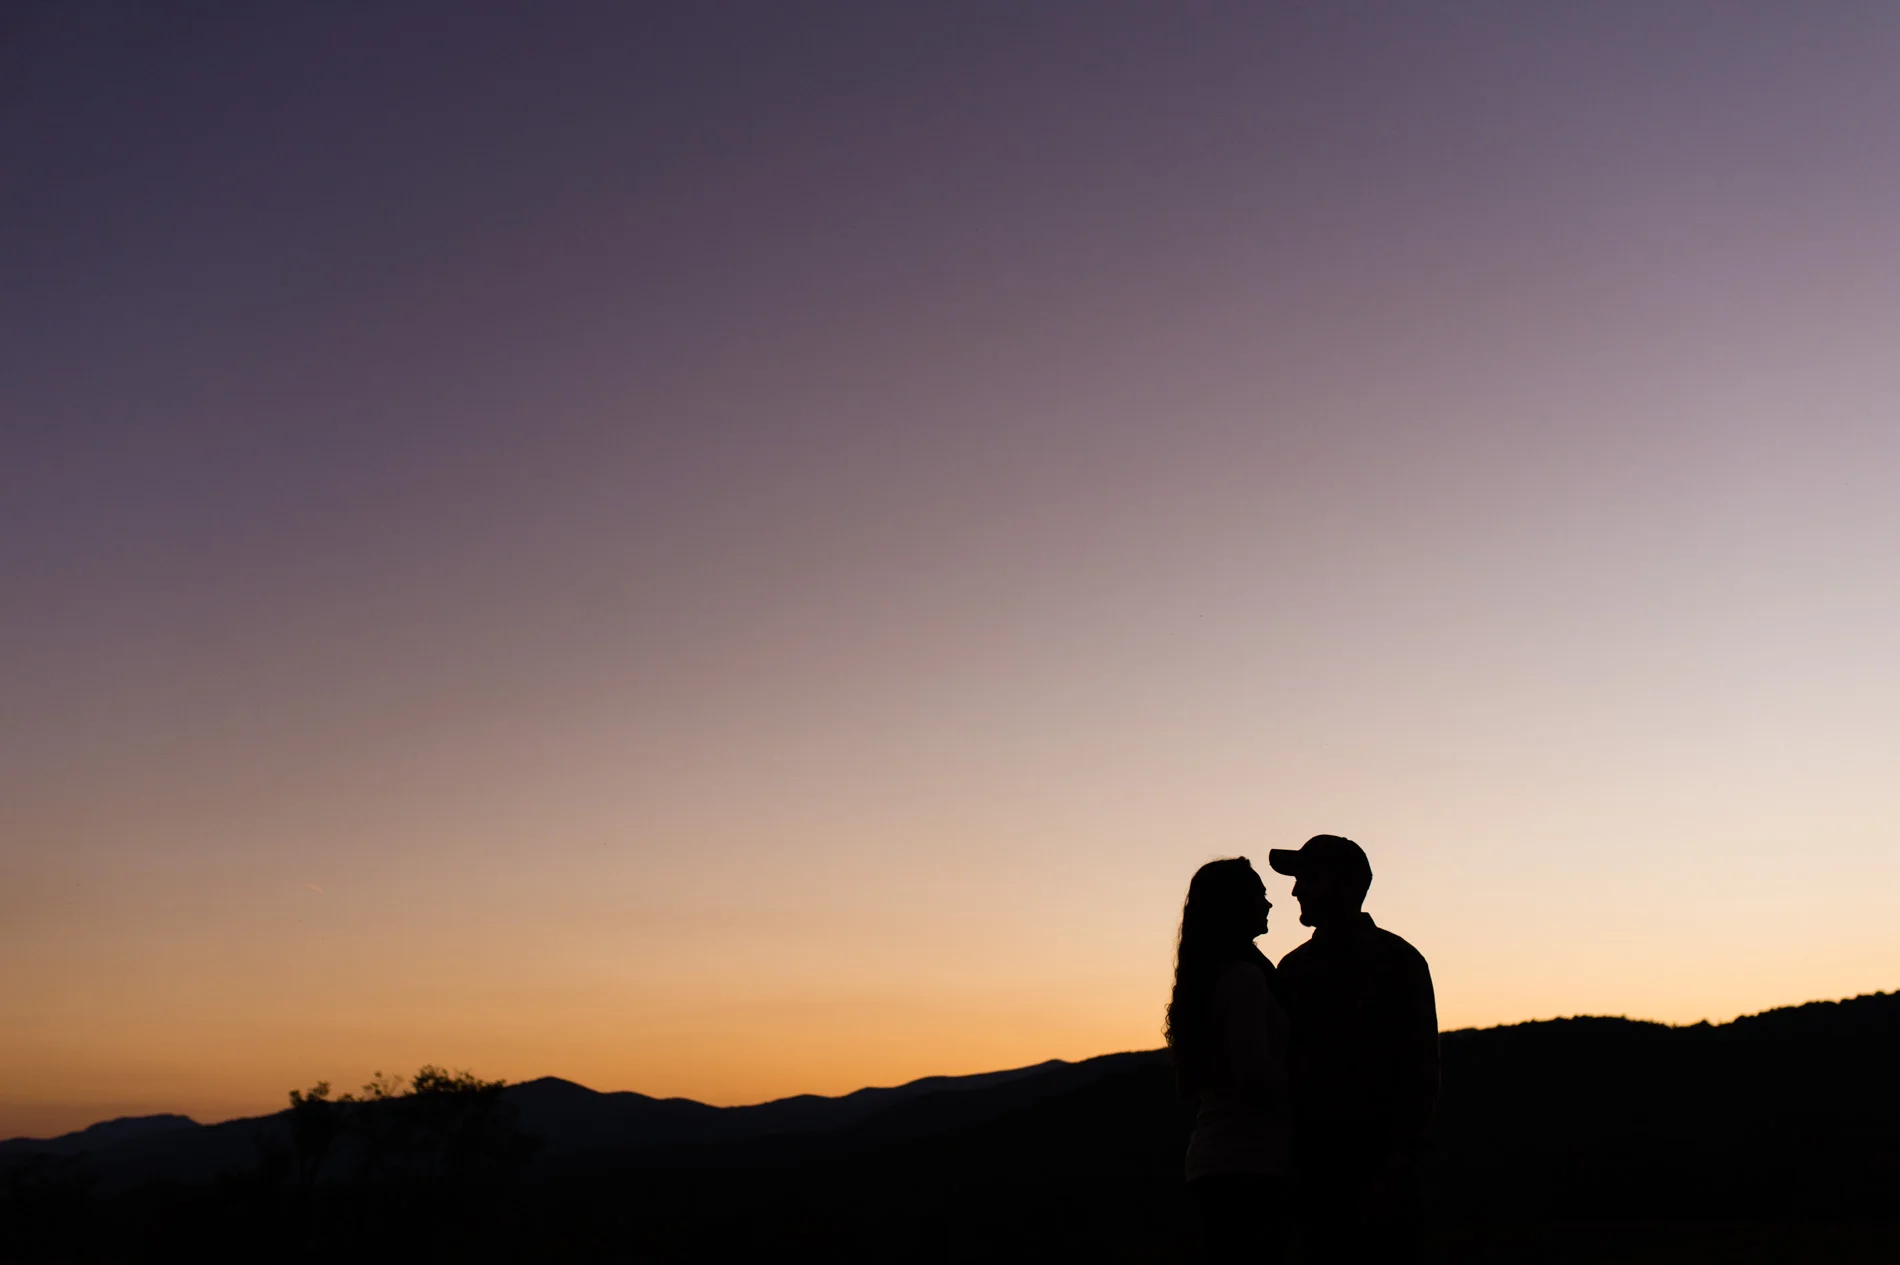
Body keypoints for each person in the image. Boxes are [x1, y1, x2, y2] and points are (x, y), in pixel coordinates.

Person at [1269, 834, 1438, 1264]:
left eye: (1306, 878)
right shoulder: (1397, 959)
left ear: (1337, 883)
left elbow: (1419, 1079)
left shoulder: (1396, 963)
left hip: (1373, 1181)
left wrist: (1395, 1171)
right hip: (1319, 1182)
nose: (1295, 891)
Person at [1166, 857, 1294, 1264]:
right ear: (1234, 905)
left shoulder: (1214, 977)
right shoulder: (1244, 977)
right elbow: (1253, 1074)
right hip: (1246, 1165)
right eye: (1259, 895)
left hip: (1223, 1162)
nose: (1269, 904)